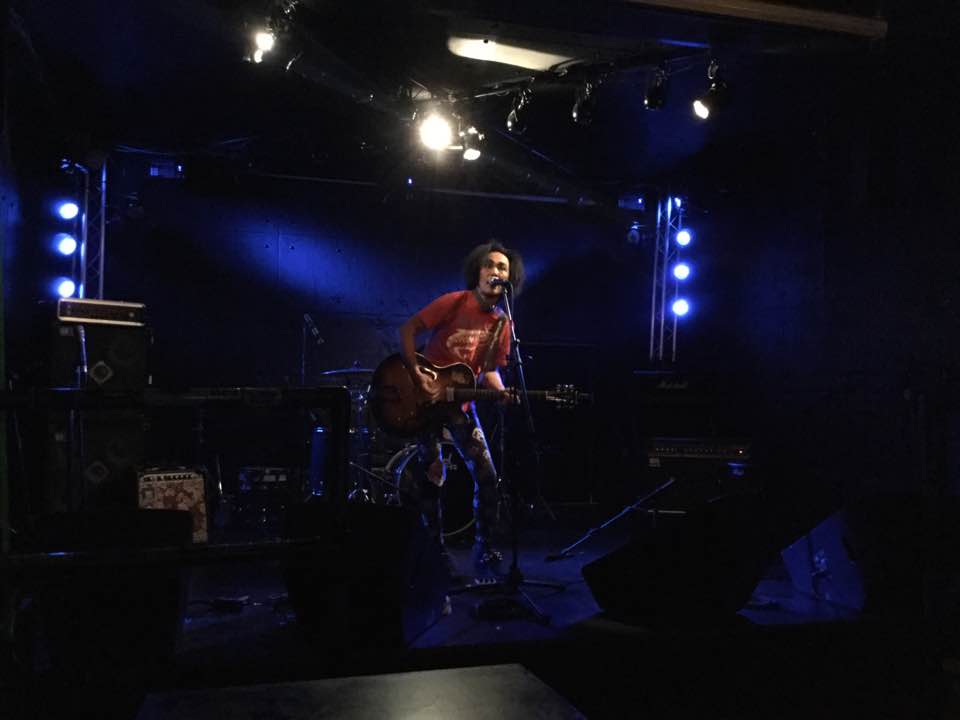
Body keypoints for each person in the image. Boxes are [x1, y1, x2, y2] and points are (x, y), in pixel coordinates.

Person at [398, 240, 525, 579]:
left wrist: (501, 393)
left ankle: (485, 550)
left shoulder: (502, 324)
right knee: (432, 475)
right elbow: (408, 330)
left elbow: (489, 371)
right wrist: (416, 374)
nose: (495, 271)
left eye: (502, 267)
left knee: (487, 476)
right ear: (478, 272)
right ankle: (434, 552)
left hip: (461, 406)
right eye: (489, 265)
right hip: (427, 401)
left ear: (509, 278)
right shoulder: (455, 302)